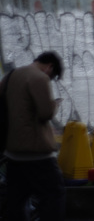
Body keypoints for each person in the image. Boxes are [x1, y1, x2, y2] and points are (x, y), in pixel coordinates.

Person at [1, 51, 64, 221]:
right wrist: (55, 104)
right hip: (37, 154)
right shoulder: (39, 78)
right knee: (53, 195)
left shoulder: (9, 77)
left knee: (16, 202)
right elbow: (45, 113)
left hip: (13, 153)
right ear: (50, 67)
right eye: (52, 76)